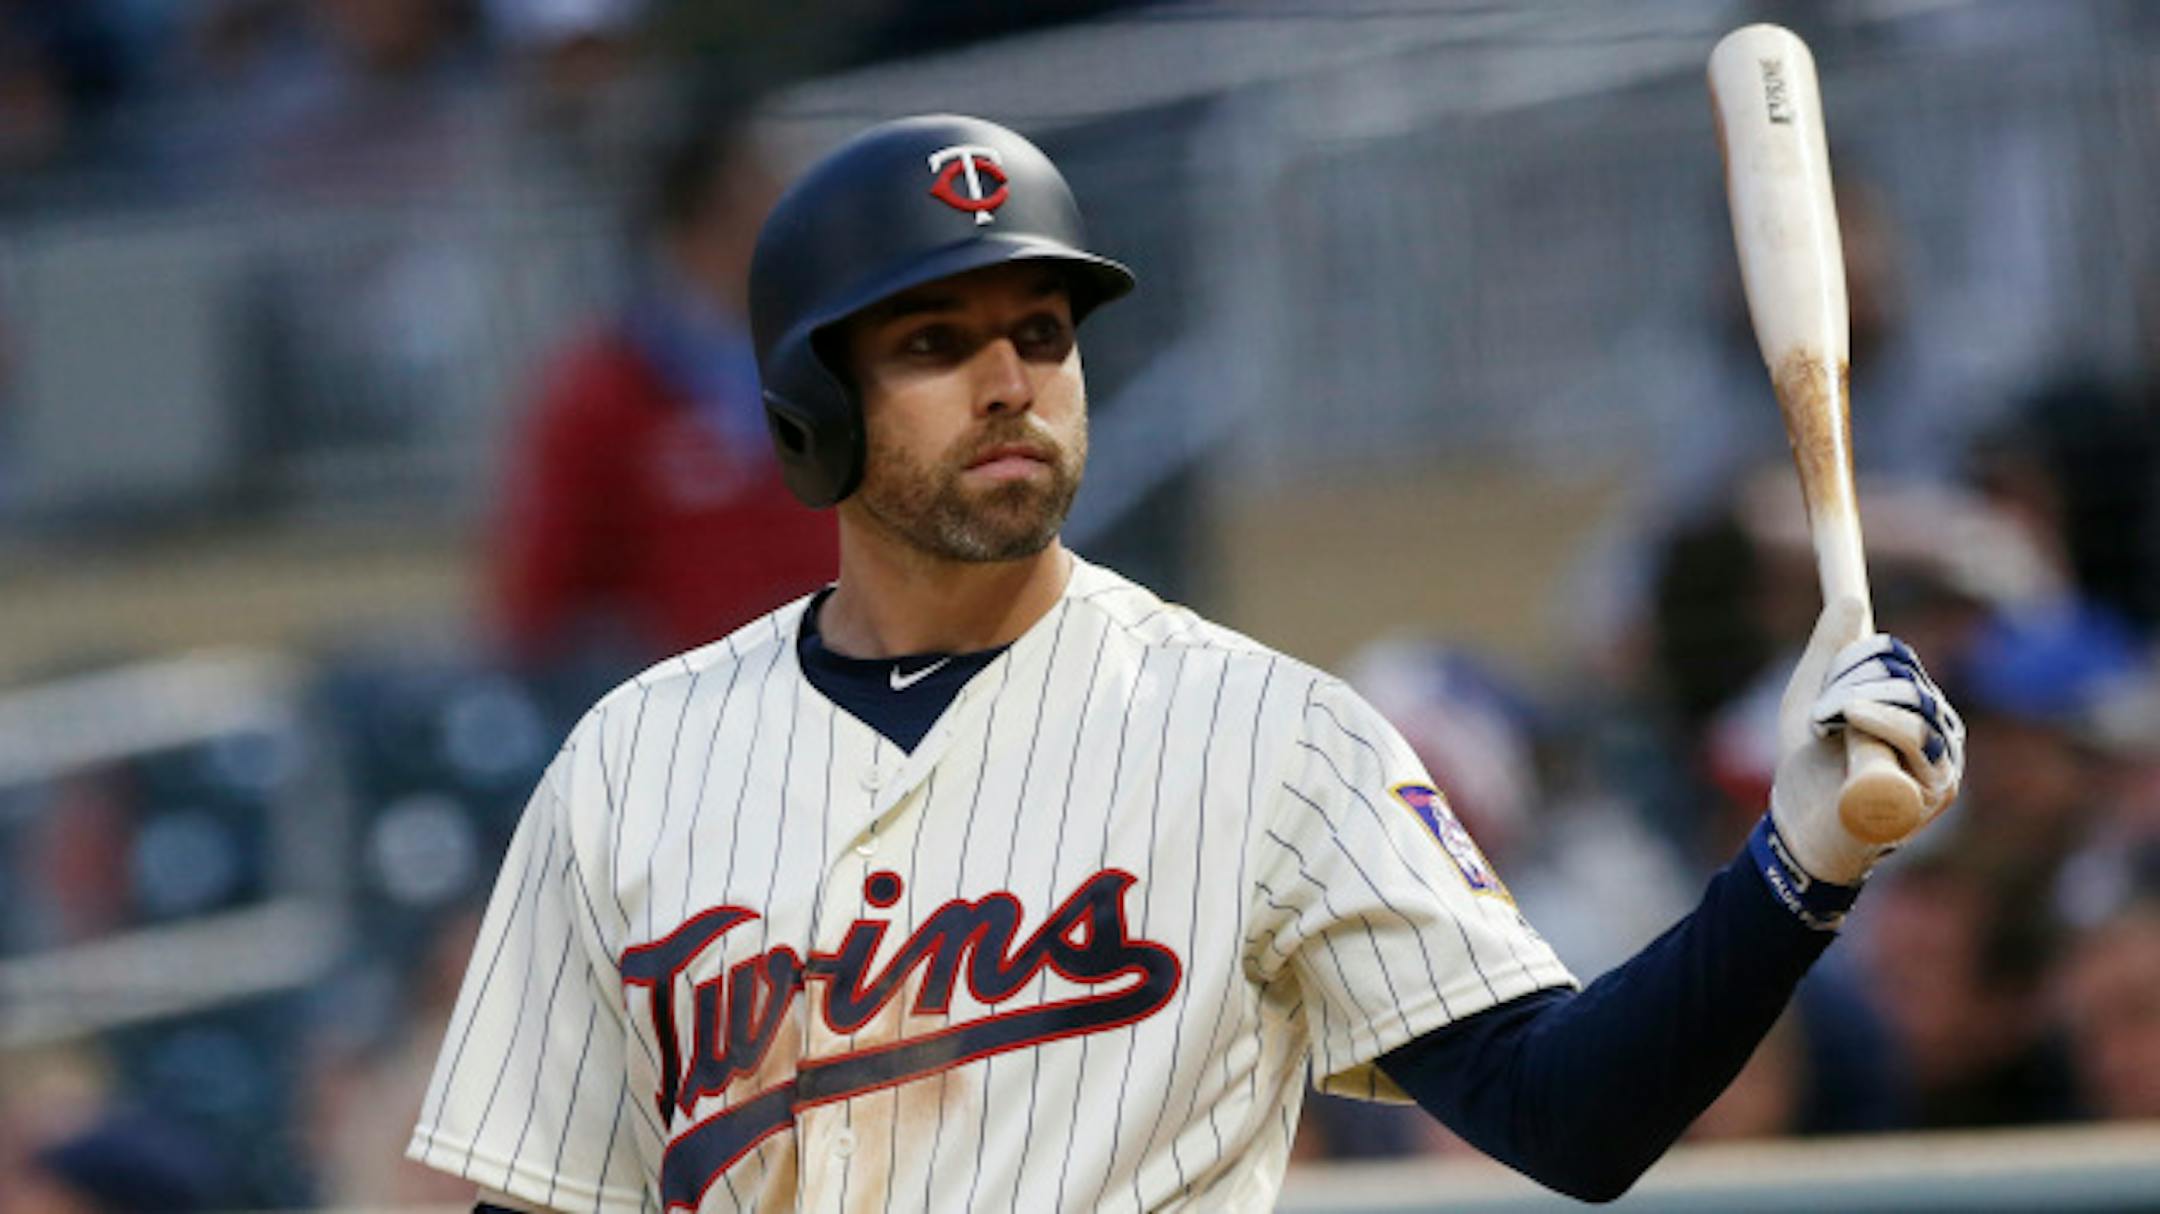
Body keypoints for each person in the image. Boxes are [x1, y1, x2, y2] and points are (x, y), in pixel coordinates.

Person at [408, 114, 1966, 1211]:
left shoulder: (1271, 734)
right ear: (811, 412)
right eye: (936, 343)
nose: (1011, 380)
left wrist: (1794, 868)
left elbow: (1572, 1115)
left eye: (1042, 330)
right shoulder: (632, 762)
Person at [489, 108, 837, 669]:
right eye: (765, 207)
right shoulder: (606, 393)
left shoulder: (836, 365)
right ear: (701, 229)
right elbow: (539, 602)